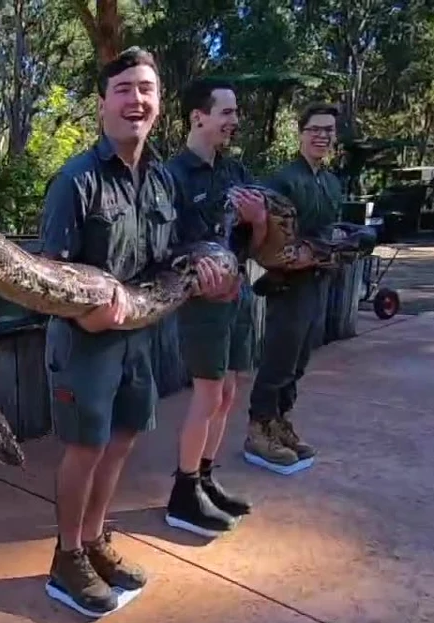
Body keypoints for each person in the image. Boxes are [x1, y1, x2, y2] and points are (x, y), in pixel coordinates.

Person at [39, 47, 238, 618]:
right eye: (123, 88)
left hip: (140, 335)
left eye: (145, 89)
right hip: (85, 340)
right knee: (84, 447)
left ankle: (96, 539)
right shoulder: (75, 181)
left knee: (122, 439)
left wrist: (205, 271)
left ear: (158, 105)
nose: (136, 99)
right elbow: (49, 275)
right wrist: (87, 313)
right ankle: (67, 553)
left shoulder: (160, 180)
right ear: (103, 102)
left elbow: (172, 254)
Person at [163, 78, 267, 537]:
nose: (234, 120)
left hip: (239, 291)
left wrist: (259, 219)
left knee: (227, 393)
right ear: (198, 117)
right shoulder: (172, 177)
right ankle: (183, 494)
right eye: (226, 112)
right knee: (206, 395)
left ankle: (205, 478)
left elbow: (258, 246)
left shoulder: (236, 173)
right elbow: (161, 247)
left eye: (235, 112)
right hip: (201, 301)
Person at [244, 102, 343, 472]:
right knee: (279, 358)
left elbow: (333, 233)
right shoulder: (283, 180)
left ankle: (280, 421)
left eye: (328, 130)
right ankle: (259, 428)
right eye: (315, 129)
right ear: (300, 133)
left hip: (318, 281)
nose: (322, 136)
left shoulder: (331, 182)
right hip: (287, 284)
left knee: (299, 360)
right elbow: (265, 238)